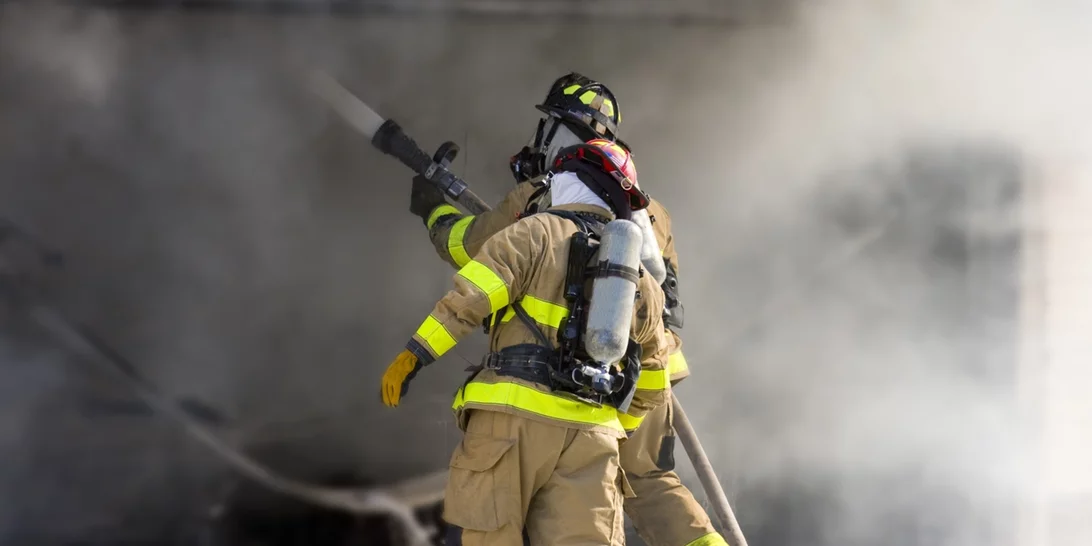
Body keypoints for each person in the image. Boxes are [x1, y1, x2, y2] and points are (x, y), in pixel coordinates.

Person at [409, 73, 726, 546]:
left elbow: (472, 249)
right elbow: (667, 299)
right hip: (648, 367)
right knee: (652, 481)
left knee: (535, 490)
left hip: (567, 379)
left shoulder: (544, 195)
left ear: (562, 133)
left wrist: (434, 210)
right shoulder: (650, 211)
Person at [383, 139, 671, 546]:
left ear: (572, 180)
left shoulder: (534, 232)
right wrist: (612, 427)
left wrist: (415, 354)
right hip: (592, 436)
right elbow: (654, 381)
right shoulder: (640, 281)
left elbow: (472, 298)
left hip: (512, 423)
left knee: (490, 535)